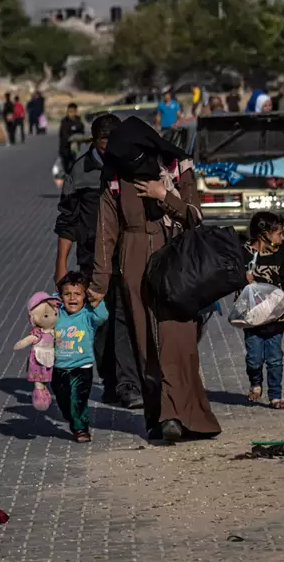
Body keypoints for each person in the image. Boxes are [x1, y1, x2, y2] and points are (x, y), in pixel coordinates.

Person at [90, 117, 221, 442]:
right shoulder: (115, 179)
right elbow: (105, 235)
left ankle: (189, 415)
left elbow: (196, 216)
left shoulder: (176, 167)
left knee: (177, 339)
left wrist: (164, 194)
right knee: (145, 339)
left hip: (175, 261)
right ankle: (164, 417)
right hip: (134, 260)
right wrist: (99, 284)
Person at [54, 113, 141, 408]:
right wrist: (61, 265)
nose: (108, 150)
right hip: (92, 260)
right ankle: (111, 380)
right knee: (101, 323)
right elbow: (67, 221)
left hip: (127, 256)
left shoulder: (130, 166)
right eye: (103, 145)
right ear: (94, 142)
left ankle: (128, 383)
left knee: (124, 317)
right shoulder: (80, 172)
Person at [241, 213, 284, 411]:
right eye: (279, 234)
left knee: (275, 358)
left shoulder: (279, 256)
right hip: (252, 316)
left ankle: (275, 395)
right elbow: (228, 278)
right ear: (264, 234)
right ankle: (256, 383)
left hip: (277, 315)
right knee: (254, 358)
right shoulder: (244, 255)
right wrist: (244, 279)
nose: (282, 239)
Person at [51, 271, 109, 442]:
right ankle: (72, 419)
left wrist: (95, 299)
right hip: (59, 367)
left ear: (84, 296)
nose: (72, 298)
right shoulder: (57, 314)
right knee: (63, 401)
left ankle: (81, 429)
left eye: (77, 294)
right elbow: (45, 311)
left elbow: (102, 316)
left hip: (82, 367)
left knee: (78, 400)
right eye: (67, 294)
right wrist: (55, 299)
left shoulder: (88, 315)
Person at [58, 103, 85, 175]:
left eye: (73, 111)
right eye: (69, 111)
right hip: (65, 148)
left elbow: (82, 132)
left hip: (74, 147)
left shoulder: (78, 121)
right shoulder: (64, 121)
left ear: (76, 111)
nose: (71, 113)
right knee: (65, 164)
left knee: (74, 163)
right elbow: (62, 134)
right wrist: (69, 138)